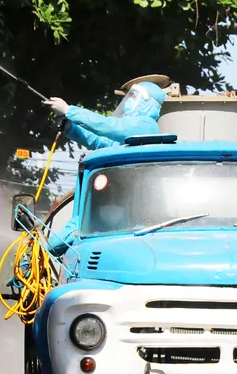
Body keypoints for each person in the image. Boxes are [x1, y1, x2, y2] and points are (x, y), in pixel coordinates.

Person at [33, 79, 168, 257]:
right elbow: (100, 141)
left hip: (130, 207)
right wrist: (70, 128)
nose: (128, 101)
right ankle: (33, 259)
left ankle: (33, 260)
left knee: (72, 234)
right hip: (113, 201)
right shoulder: (128, 136)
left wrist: (69, 110)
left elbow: (108, 126)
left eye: (133, 96)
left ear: (146, 102)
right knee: (67, 235)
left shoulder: (146, 126)